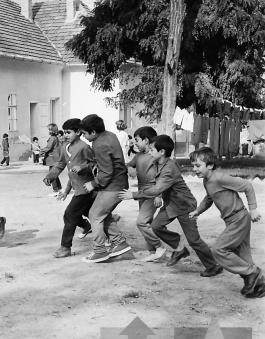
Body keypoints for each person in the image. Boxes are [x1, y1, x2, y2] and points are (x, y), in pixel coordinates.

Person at [120, 135, 222, 277]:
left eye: (152, 150)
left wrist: (134, 194)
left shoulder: (169, 167)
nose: (149, 152)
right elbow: (159, 185)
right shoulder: (159, 163)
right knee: (156, 226)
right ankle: (179, 248)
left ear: (161, 152)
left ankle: (213, 266)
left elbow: (157, 188)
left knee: (194, 240)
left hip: (185, 205)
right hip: (172, 204)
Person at [190, 147, 264, 297]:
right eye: (193, 165)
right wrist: (198, 210)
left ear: (210, 165)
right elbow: (209, 198)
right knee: (243, 256)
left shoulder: (220, 178)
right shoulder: (207, 181)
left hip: (239, 218)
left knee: (219, 250)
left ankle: (251, 273)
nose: (194, 169)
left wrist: (253, 209)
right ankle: (260, 283)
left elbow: (247, 186)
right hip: (232, 221)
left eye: (198, 166)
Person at [80, 114, 131, 263]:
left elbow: (106, 171)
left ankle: (99, 251)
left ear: (94, 132)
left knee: (94, 215)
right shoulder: (111, 135)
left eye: (84, 133)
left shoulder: (99, 144)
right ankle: (120, 243)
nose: (83, 136)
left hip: (112, 186)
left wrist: (94, 184)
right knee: (103, 214)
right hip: (119, 183)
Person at [44, 118, 97, 258]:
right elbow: (61, 164)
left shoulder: (84, 147)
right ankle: (93, 225)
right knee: (92, 213)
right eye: (65, 132)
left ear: (79, 132)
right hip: (77, 187)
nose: (66, 135)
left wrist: (83, 167)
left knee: (69, 214)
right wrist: (50, 176)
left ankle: (65, 247)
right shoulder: (65, 146)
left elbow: (96, 165)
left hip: (86, 188)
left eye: (69, 132)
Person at [125, 126, 166, 262]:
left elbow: (162, 177)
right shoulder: (138, 156)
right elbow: (128, 165)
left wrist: (158, 195)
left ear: (146, 140)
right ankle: (153, 252)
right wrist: (130, 168)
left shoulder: (155, 156)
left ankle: (159, 247)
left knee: (141, 222)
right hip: (142, 192)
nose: (135, 143)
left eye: (137, 140)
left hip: (153, 191)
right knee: (147, 222)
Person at [40, 123, 62, 196]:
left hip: (52, 158)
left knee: (52, 174)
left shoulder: (52, 138)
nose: (47, 131)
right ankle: (59, 189)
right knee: (54, 174)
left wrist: (42, 150)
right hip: (55, 157)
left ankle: (55, 191)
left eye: (48, 129)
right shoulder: (55, 137)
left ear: (51, 130)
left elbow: (49, 147)